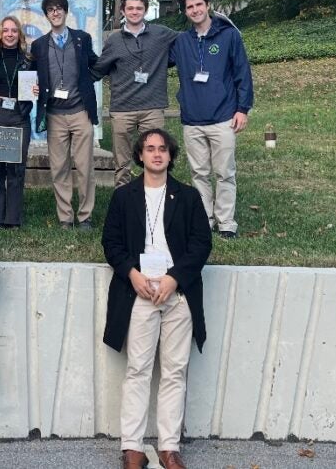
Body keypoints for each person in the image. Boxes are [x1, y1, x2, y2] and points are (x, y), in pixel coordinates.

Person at [101, 129, 212, 469]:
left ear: (170, 155)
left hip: (177, 294)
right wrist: (133, 276)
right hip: (139, 293)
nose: (157, 154)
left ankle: (169, 447)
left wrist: (174, 277)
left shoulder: (189, 197)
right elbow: (112, 244)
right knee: (138, 369)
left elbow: (201, 245)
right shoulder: (124, 197)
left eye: (162, 149)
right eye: (150, 149)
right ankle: (132, 447)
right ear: (140, 156)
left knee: (175, 371)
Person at [169, 0, 254, 238]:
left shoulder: (229, 36)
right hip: (192, 119)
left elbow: (242, 73)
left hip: (223, 117)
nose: (195, 10)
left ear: (208, 5)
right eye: (189, 7)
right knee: (199, 173)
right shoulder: (181, 42)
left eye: (198, 5)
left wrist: (243, 108)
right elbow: (153, 59)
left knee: (224, 172)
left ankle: (226, 222)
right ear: (185, 12)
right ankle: (204, 219)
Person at [93, 0, 178, 188]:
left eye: (139, 8)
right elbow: (98, 69)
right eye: (130, 8)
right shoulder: (114, 41)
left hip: (152, 107)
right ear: (123, 11)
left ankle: (155, 194)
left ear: (145, 10)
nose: (134, 12)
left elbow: (189, 39)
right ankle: (122, 199)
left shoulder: (161, 33)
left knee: (156, 158)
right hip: (122, 109)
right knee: (122, 162)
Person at [30, 0, 99, 229]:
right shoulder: (38, 45)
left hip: (81, 112)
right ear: (47, 15)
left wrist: (88, 82)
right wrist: (33, 87)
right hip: (55, 115)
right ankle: (65, 218)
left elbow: (95, 63)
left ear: (66, 11)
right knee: (59, 168)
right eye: (51, 9)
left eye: (59, 8)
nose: (56, 12)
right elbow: (31, 76)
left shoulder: (82, 39)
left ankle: (86, 216)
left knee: (84, 167)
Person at [0, 15, 36, 227]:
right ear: (0, 34)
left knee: (16, 168)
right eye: (5, 30)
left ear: (19, 34)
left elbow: (38, 84)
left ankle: (12, 218)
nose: (9, 34)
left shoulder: (29, 59)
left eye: (13, 30)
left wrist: (36, 89)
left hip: (19, 116)